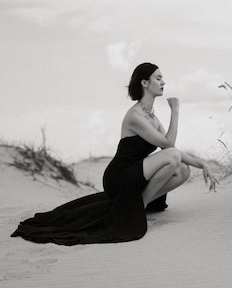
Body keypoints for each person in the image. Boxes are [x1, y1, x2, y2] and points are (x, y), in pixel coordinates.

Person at [11, 63, 218, 245]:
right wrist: (175, 111)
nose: (163, 82)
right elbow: (170, 146)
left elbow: (171, 149)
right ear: (145, 83)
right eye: (158, 78)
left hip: (138, 176)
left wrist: (202, 164)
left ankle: (139, 205)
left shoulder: (152, 117)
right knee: (173, 157)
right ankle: (140, 208)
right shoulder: (136, 116)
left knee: (183, 170)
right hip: (119, 177)